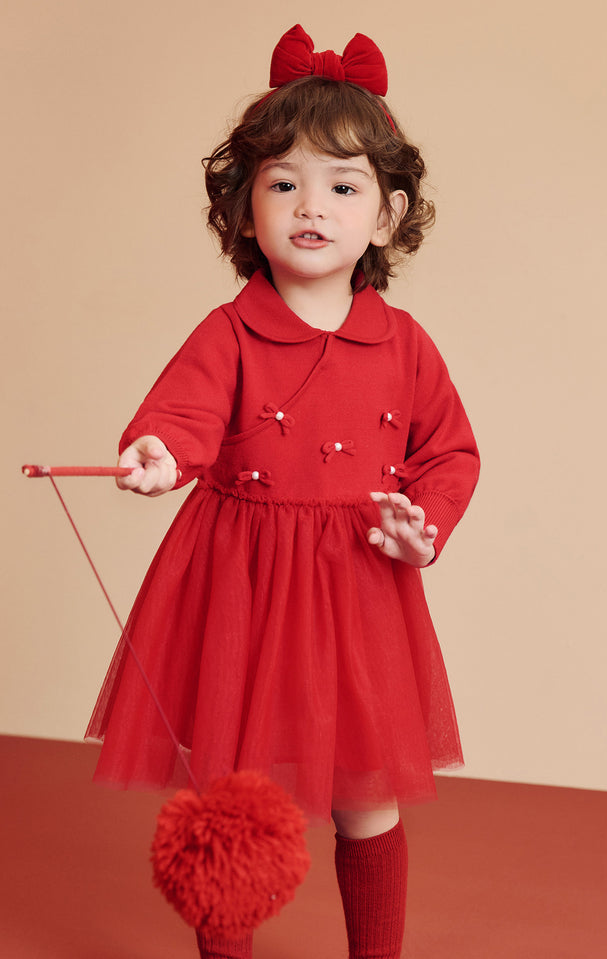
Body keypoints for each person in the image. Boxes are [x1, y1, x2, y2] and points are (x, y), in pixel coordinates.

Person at [86, 24, 480, 959]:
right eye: (283, 184)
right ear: (244, 208)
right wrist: (157, 456)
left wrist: (423, 529)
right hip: (243, 587)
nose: (312, 206)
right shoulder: (228, 332)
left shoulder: (405, 343)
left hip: (359, 593)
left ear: (385, 216)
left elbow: (450, 454)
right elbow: (179, 418)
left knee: (368, 798)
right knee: (237, 792)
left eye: (343, 187)